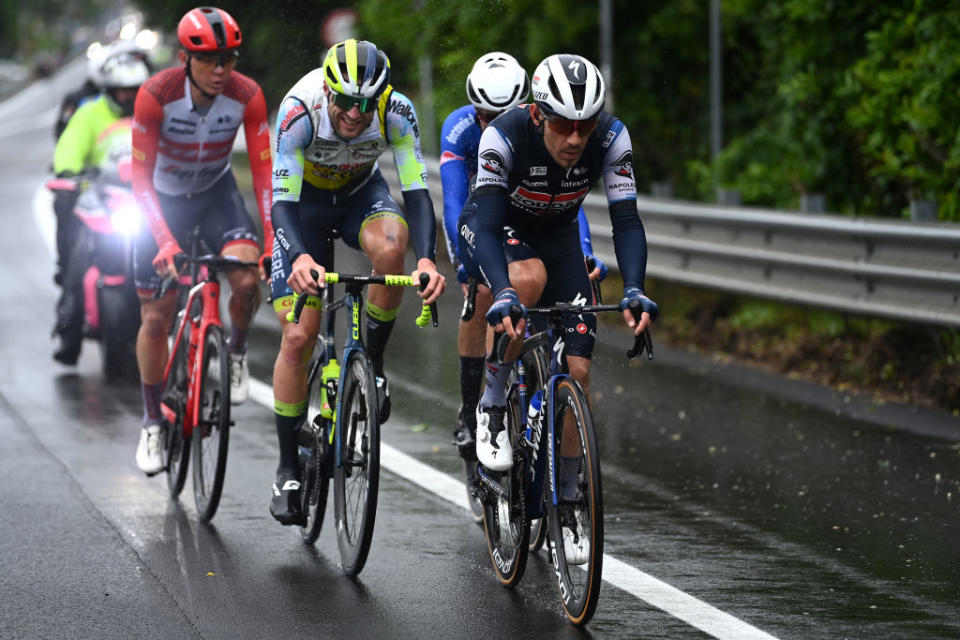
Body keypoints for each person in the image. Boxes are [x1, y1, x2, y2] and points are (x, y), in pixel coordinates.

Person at [268, 39, 445, 524]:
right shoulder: (298, 111)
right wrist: (300, 256)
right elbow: (280, 203)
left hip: (359, 194)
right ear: (328, 91)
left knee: (393, 247)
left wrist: (426, 260)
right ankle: (286, 468)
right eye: (345, 101)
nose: (355, 113)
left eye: (367, 103)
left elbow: (416, 192)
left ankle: (374, 361)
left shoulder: (398, 112)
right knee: (299, 334)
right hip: (301, 205)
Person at [457, 53, 659, 476]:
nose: (574, 139)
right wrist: (504, 291)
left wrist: (634, 288)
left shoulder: (611, 137)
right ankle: (492, 402)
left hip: (559, 236)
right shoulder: (503, 136)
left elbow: (626, 220)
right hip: (496, 226)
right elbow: (489, 224)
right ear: (537, 113)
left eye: (584, 126)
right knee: (528, 279)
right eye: (563, 125)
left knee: (579, 371)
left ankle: (569, 502)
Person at [439, 51, 608, 472]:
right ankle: (472, 406)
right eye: (483, 113)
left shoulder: (542, 130)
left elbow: (567, 199)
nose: (491, 120)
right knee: (488, 291)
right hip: (489, 218)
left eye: (502, 111)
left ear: (527, 107)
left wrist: (584, 251)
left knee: (541, 290)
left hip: (535, 217)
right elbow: (456, 199)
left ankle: (538, 401)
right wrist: (464, 262)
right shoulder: (461, 130)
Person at [130, 6, 273, 475]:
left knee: (247, 279)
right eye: (210, 60)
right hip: (163, 200)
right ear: (184, 58)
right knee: (156, 318)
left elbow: (262, 172)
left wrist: (272, 239)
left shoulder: (247, 95)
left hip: (216, 194)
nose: (220, 70)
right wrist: (163, 239)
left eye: (228, 59)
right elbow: (139, 178)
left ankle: (234, 352)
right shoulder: (156, 95)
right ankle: (152, 421)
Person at [50, 45, 151, 365]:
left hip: (145, 201)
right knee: (76, 263)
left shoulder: (154, 114)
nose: (126, 98)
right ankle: (69, 333)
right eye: (119, 91)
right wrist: (67, 176)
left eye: (132, 92)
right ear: (107, 90)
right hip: (102, 202)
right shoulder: (88, 113)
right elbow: (68, 148)